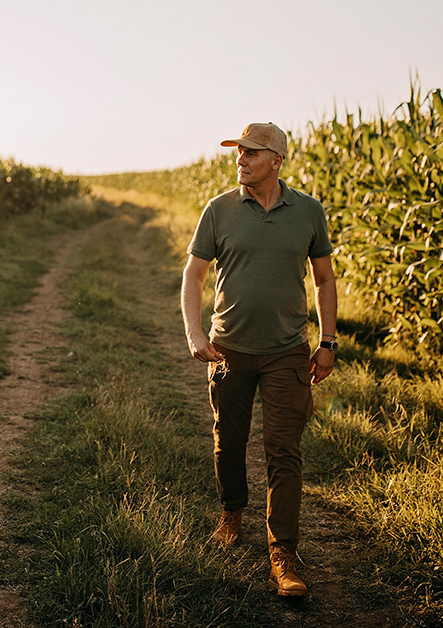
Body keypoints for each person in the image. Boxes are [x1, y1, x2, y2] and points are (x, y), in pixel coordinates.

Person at [180, 122, 338, 597]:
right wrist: (193, 331)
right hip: (228, 348)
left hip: (287, 352)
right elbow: (193, 277)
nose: (241, 159)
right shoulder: (219, 210)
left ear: (277, 161)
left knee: (284, 452)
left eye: (251, 152)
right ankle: (232, 511)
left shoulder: (308, 212)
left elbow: (325, 279)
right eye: (239, 151)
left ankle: (282, 554)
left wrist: (327, 340)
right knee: (229, 442)